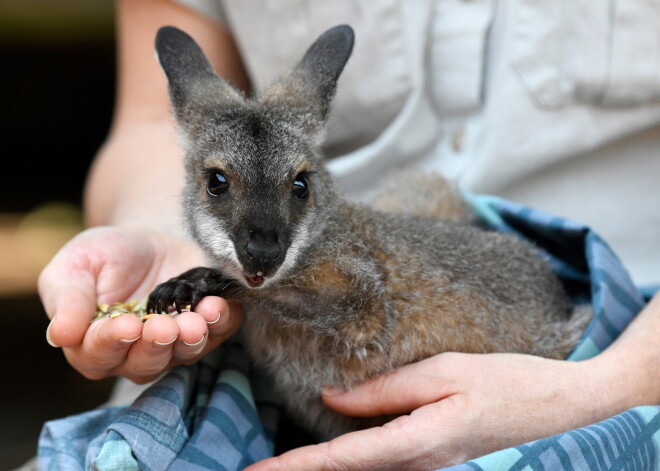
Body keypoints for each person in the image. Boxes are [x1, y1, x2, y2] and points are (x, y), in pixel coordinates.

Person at [39, 0, 660, 469]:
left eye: (298, 188)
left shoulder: (333, 259)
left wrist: (614, 386)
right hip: (262, 379)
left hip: (614, 347)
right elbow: (147, 124)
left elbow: (353, 302)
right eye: (217, 184)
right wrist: (159, 237)